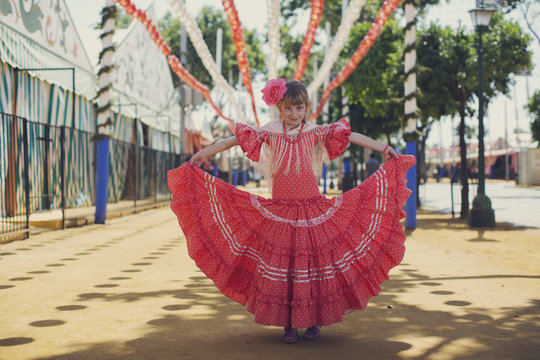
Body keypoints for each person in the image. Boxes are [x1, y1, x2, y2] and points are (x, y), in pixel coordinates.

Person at [167, 79, 415, 344]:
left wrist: (383, 147)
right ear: (279, 110)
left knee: (315, 268)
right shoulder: (271, 132)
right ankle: (288, 324)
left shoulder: (315, 131)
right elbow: (233, 140)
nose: (293, 113)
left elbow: (350, 135)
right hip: (280, 214)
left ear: (306, 108)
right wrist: (203, 153)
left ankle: (314, 321)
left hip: (313, 212)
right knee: (284, 271)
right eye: (288, 108)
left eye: (298, 108)